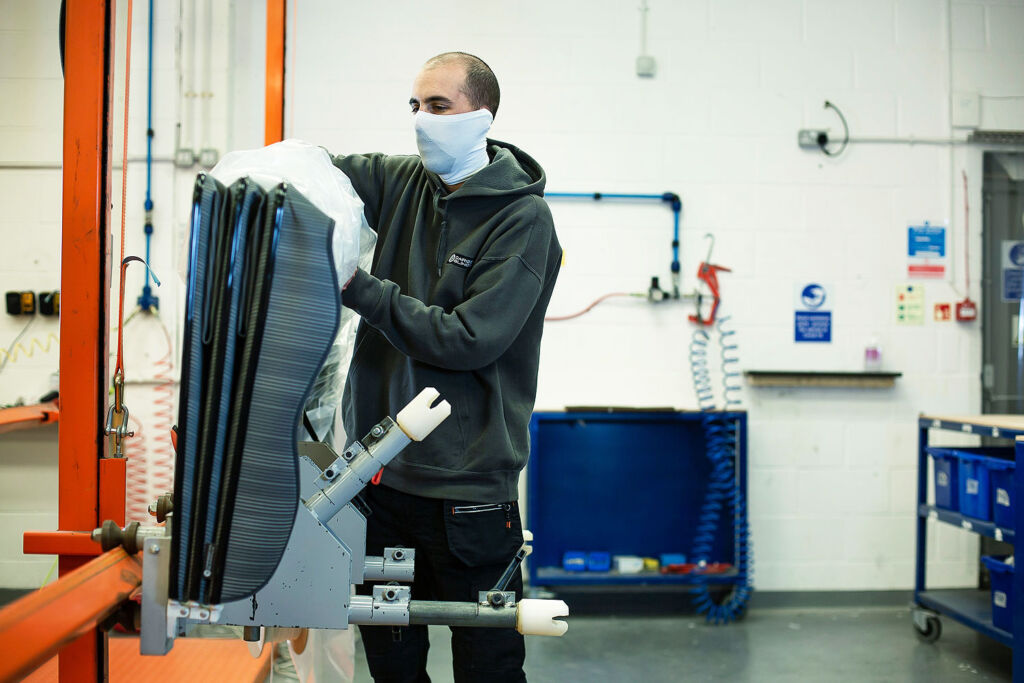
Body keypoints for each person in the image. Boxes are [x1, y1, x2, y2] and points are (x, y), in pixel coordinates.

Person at [331, 52, 561, 683]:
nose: (422, 121)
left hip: (469, 497)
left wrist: (360, 287)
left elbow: (469, 340)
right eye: (415, 106)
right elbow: (313, 172)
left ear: (482, 115)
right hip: (381, 481)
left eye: (439, 106)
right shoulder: (402, 183)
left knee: (486, 664)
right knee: (392, 665)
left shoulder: (523, 219)